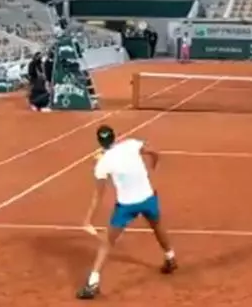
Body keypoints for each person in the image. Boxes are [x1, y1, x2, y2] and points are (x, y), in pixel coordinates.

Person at [76, 126, 178, 300]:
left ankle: (92, 284)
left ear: (100, 142)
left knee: (107, 242)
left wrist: (88, 219)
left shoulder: (102, 163)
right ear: (115, 137)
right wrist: (154, 164)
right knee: (157, 226)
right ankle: (170, 258)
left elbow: (98, 196)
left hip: (126, 206)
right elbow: (154, 152)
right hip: (148, 198)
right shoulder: (131, 144)